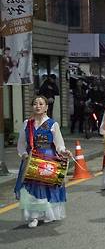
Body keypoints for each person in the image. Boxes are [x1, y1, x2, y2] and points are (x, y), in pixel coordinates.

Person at [14, 96, 71, 228]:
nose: (37, 106)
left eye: (41, 104)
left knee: (47, 187)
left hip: (48, 159)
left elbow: (59, 144)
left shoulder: (52, 124)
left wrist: (64, 151)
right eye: (35, 104)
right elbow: (21, 144)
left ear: (46, 107)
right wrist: (23, 154)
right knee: (31, 188)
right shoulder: (27, 124)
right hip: (31, 160)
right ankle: (33, 216)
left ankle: (47, 213)